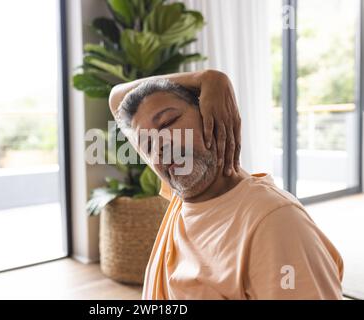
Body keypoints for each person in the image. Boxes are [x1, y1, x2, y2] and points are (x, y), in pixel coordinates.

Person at [108, 70, 344, 300]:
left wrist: (210, 82)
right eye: (146, 144)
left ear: (213, 116)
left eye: (168, 122)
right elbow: (116, 98)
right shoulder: (185, 189)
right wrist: (207, 78)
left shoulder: (274, 222)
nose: (159, 146)